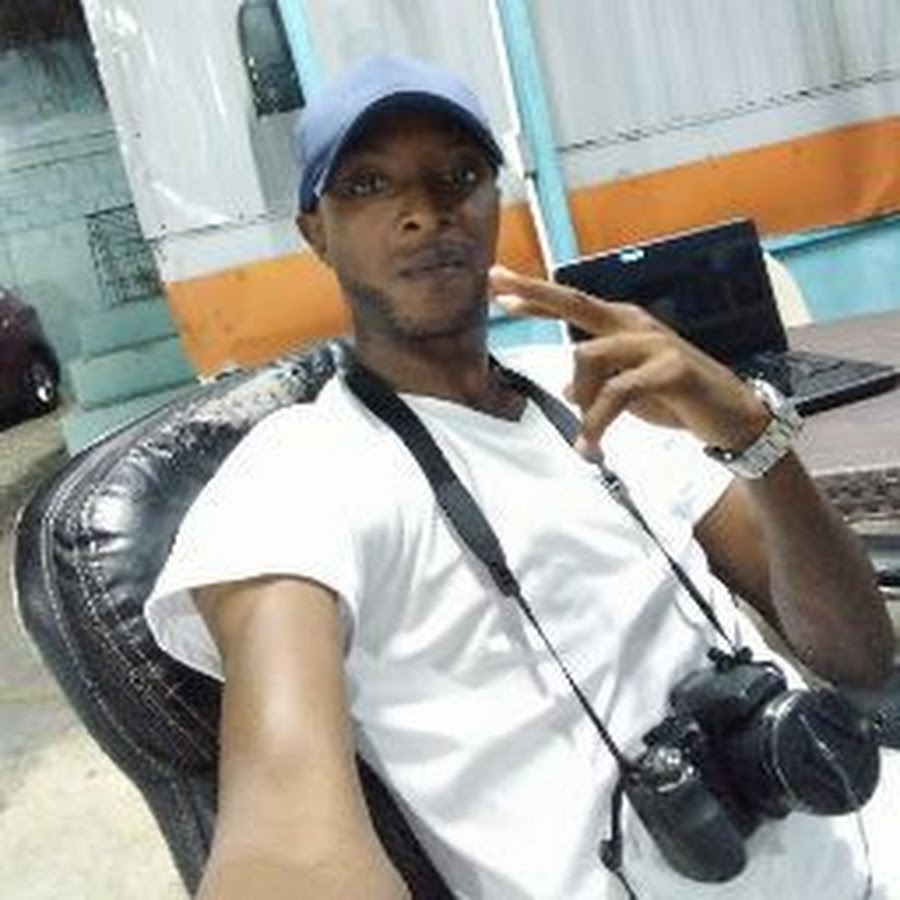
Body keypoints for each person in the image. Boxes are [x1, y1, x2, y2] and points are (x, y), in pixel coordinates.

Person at [147, 55, 897, 899]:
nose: (424, 212)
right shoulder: (298, 476)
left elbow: (860, 653)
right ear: (314, 232)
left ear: (493, 203)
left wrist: (755, 437)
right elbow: (287, 841)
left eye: (458, 175)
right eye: (368, 184)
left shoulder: (601, 390)